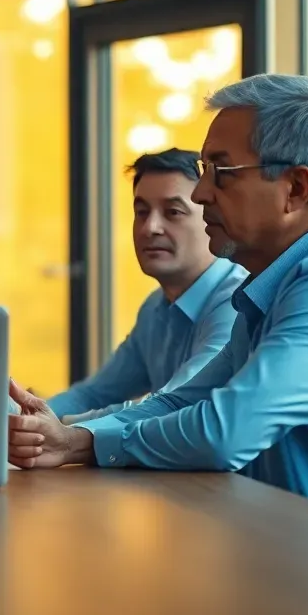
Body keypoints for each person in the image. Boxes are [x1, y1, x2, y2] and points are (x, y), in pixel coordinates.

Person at [7, 74, 308, 539]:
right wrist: (70, 436)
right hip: (296, 569)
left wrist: (83, 443)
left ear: (296, 188)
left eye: (221, 172)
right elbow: (187, 398)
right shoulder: (281, 284)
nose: (200, 194)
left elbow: (225, 431)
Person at [38, 149, 245, 424]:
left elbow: (177, 403)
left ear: (213, 218)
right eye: (141, 212)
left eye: (173, 212)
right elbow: (95, 394)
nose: (150, 228)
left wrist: (63, 425)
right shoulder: (156, 307)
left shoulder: (237, 302)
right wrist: (27, 416)